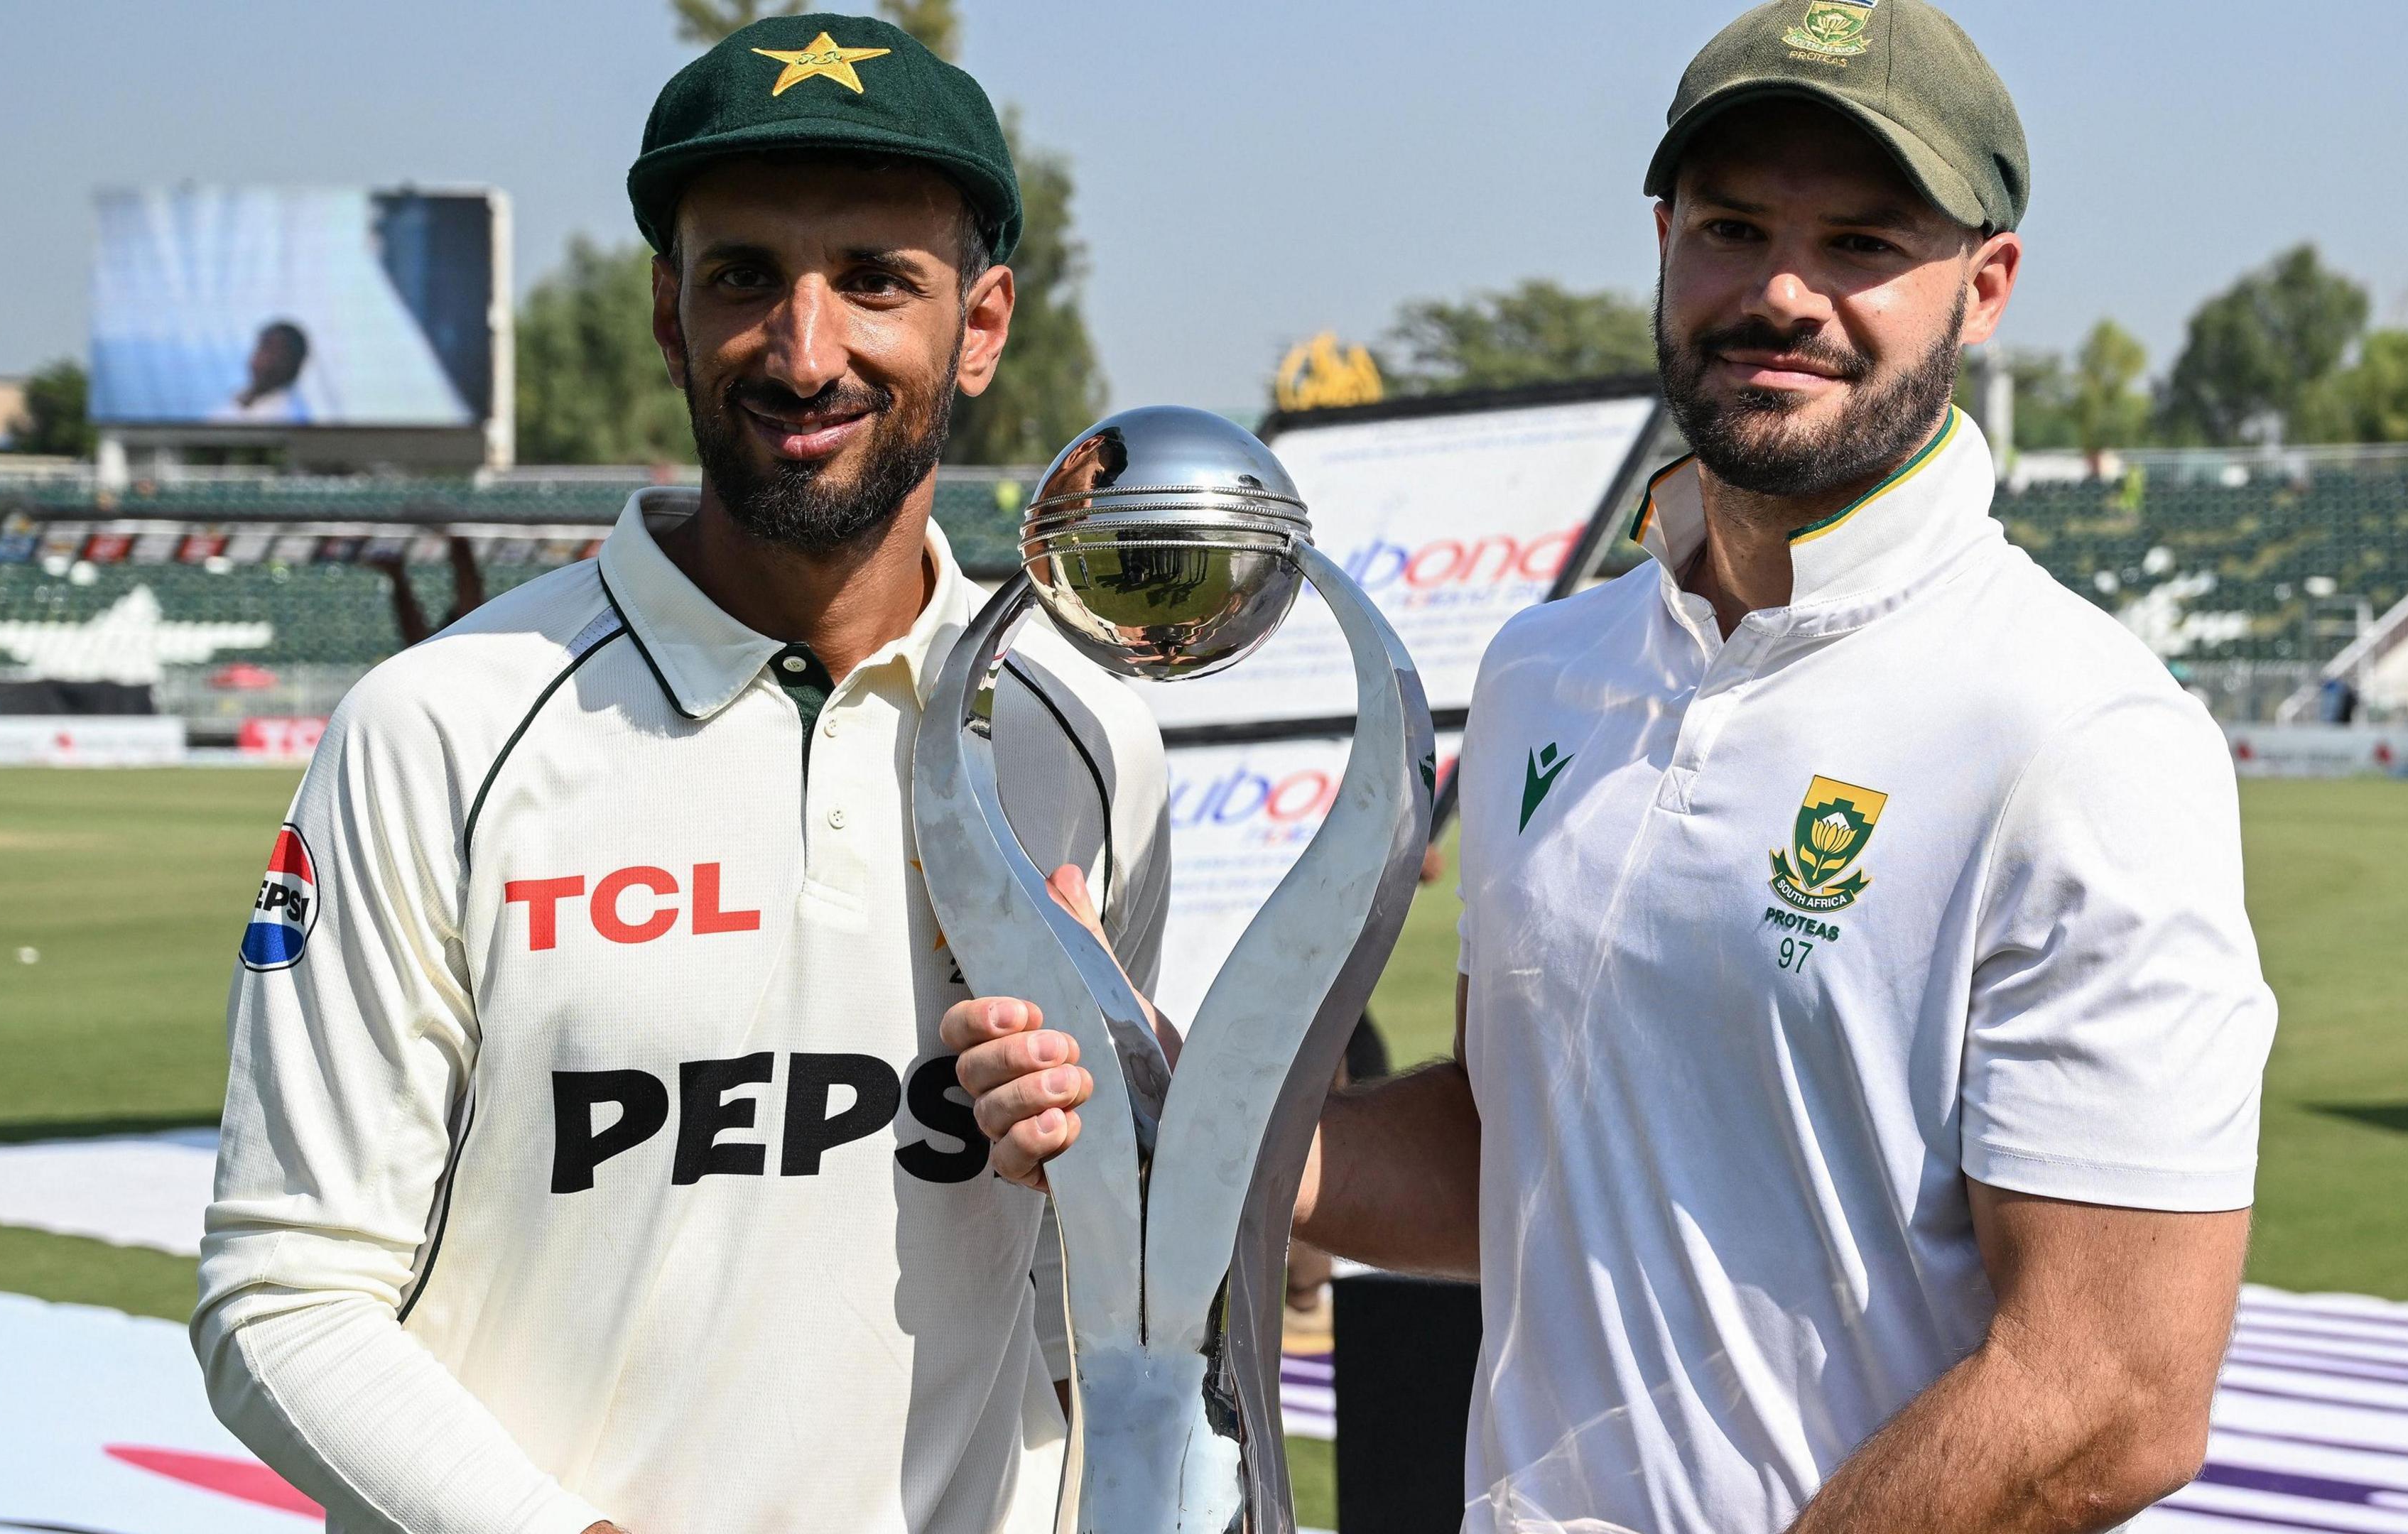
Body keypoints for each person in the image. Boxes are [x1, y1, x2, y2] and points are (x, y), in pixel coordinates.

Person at [948, 4, 2279, 1530]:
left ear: (1984, 288)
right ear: (1663, 239)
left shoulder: (2076, 729)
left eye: (1860, 244)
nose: (1783, 292)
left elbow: (2110, 1392)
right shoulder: (1547, 670)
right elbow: (1518, 1151)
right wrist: (1183, 1115)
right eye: (1732, 227)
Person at [193, 16, 1173, 1534]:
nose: (804, 348)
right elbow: (281, 1296)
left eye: (875, 278)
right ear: (668, 312)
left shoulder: (1086, 737)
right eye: (742, 279)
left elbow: (1087, 1274)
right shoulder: (439, 729)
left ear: (981, 325)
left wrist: (1108, 1165)